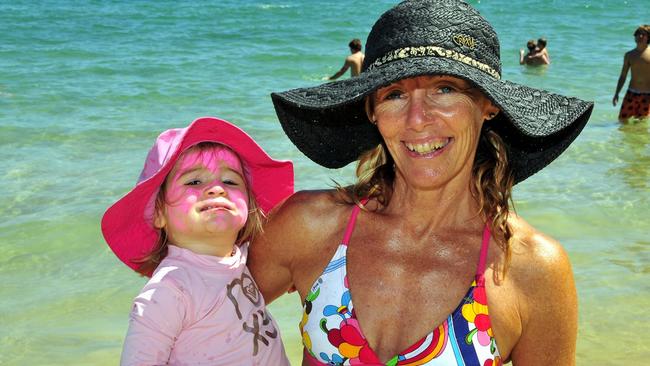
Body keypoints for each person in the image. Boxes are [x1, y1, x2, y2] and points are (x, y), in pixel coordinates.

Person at [252, 0, 593, 365]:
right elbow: (197, 310)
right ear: (372, 112)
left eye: (444, 89)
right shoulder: (309, 225)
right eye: (394, 95)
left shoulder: (532, 269)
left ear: (488, 105)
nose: (416, 119)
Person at [101, 117, 294, 365]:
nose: (216, 189)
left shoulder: (243, 257)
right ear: (158, 213)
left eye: (230, 181)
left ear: (249, 207)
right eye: (194, 181)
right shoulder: (170, 289)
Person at [613, 25, 650, 122]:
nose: (640, 36)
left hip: (647, 96)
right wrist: (617, 93)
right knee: (622, 120)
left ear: (648, 37)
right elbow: (623, 76)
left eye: (643, 34)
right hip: (631, 94)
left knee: (641, 123)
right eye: (638, 34)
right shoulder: (629, 55)